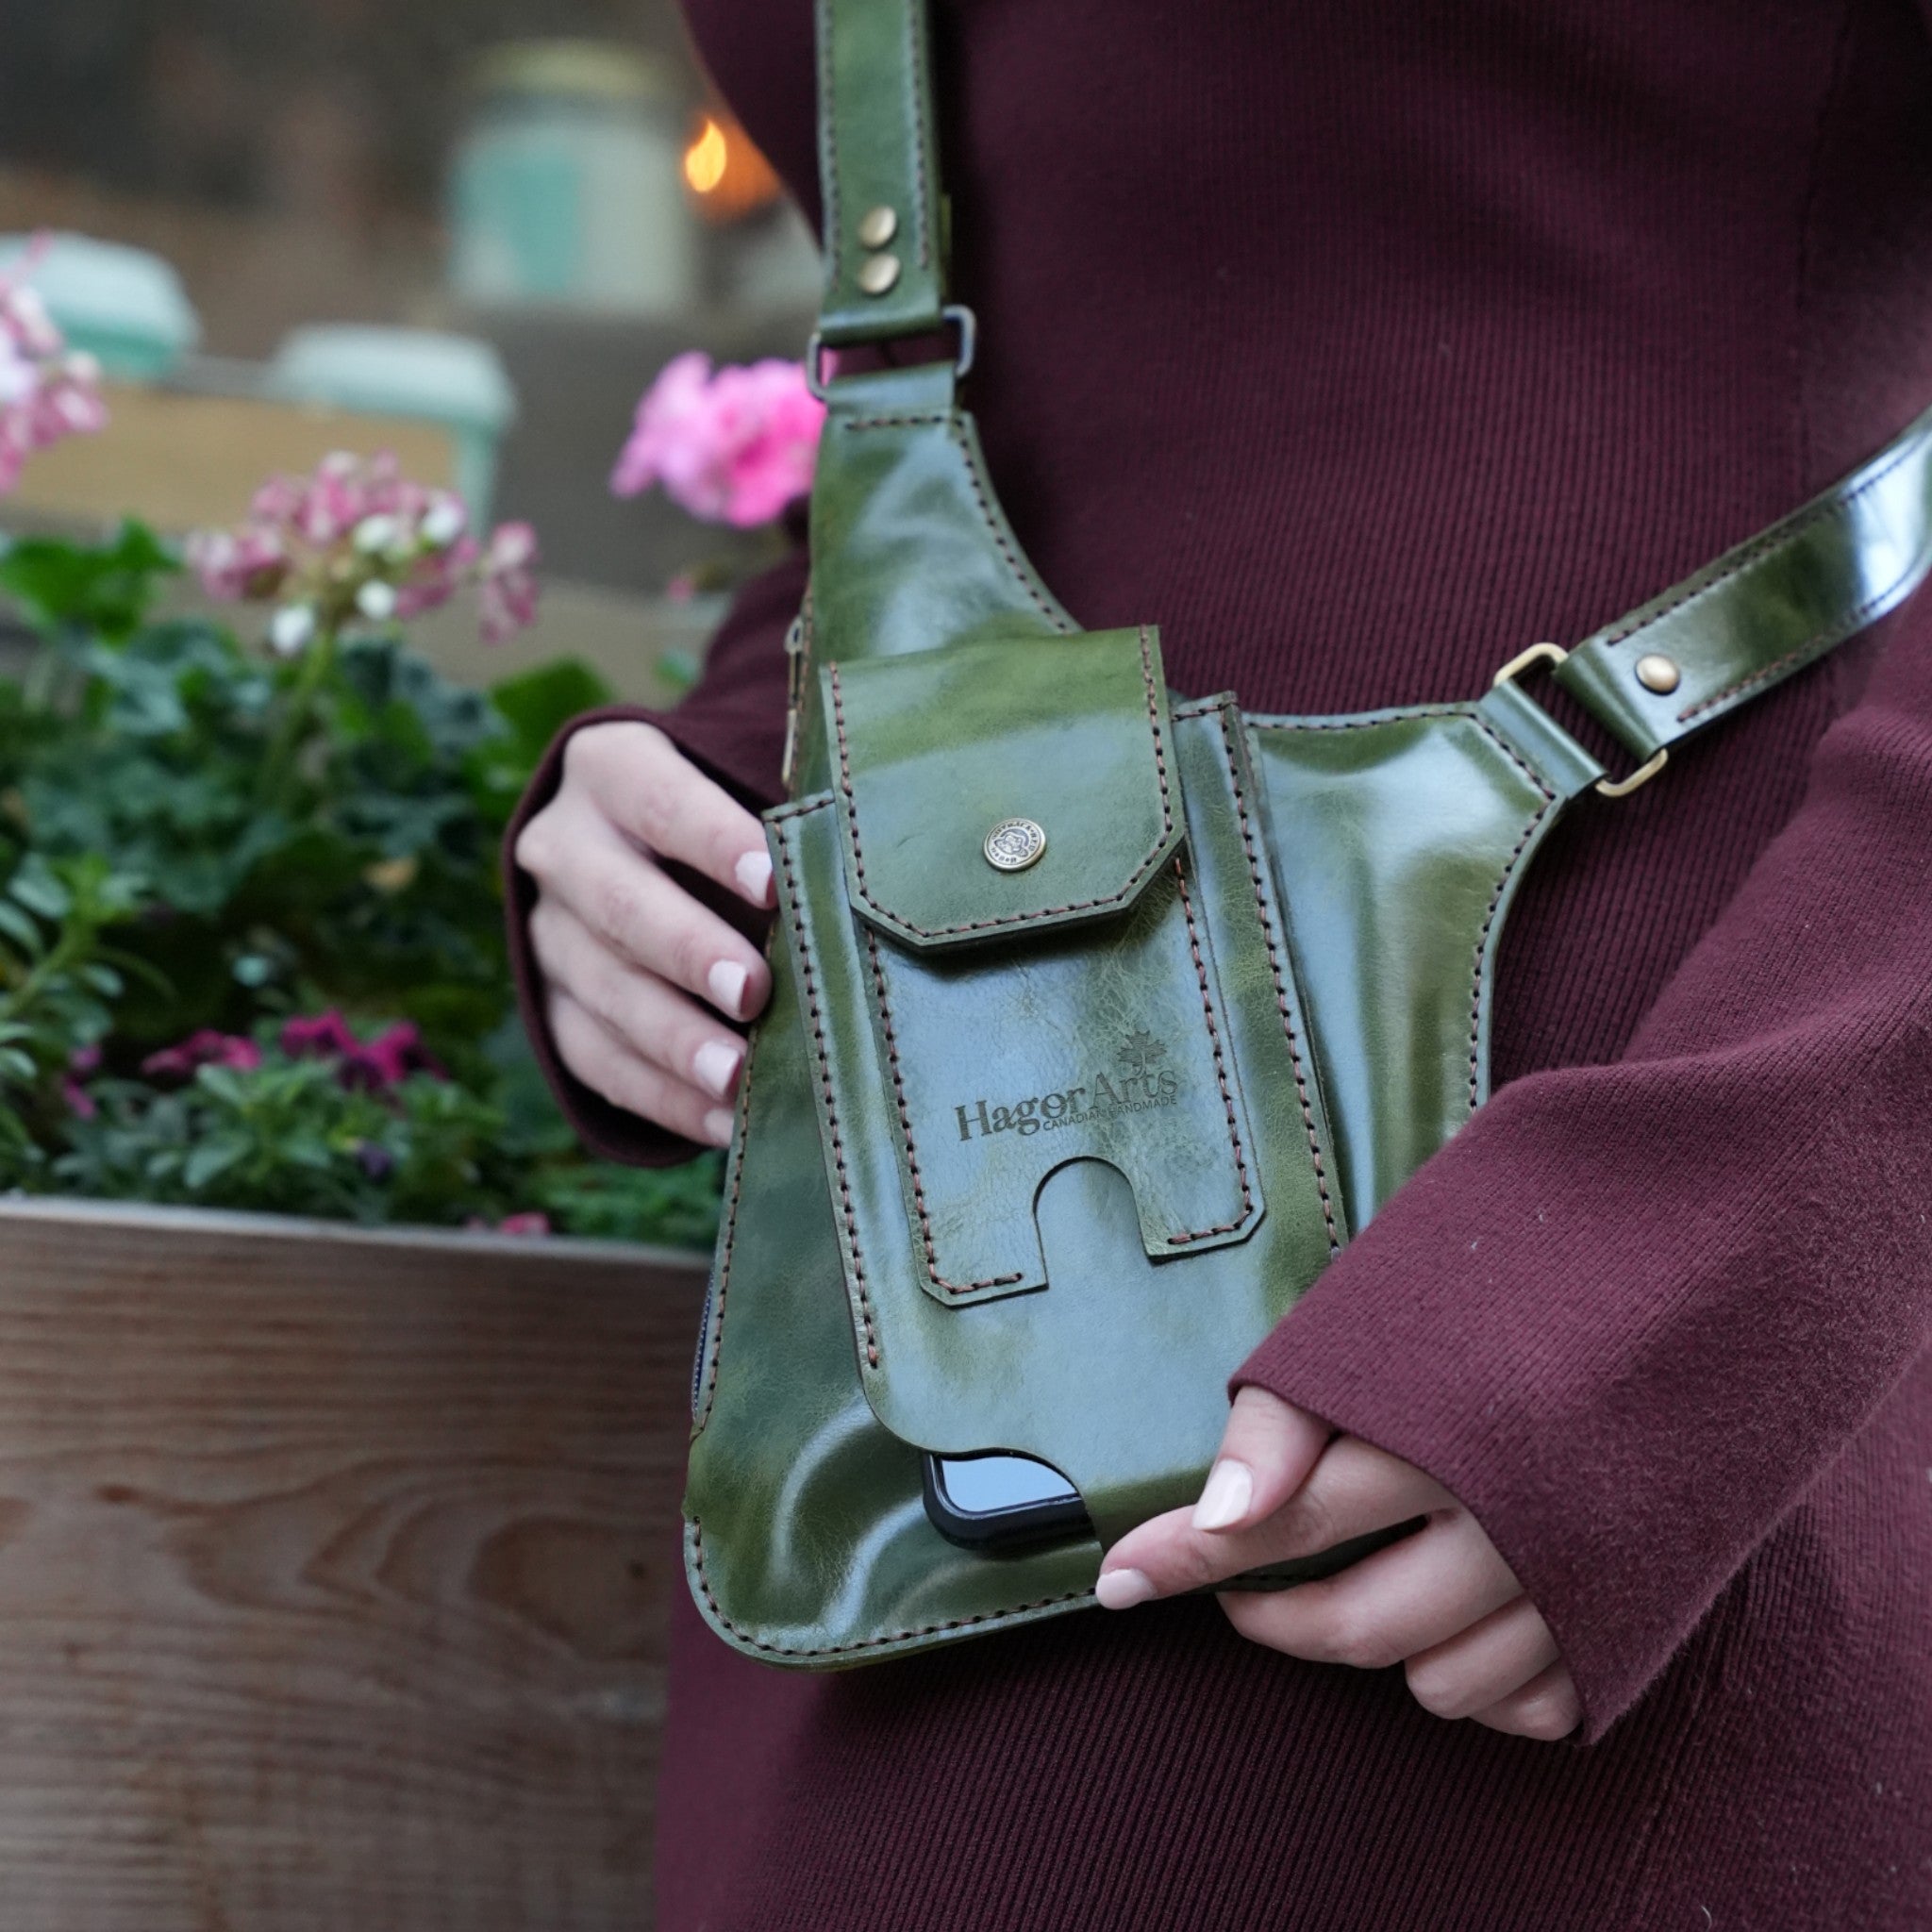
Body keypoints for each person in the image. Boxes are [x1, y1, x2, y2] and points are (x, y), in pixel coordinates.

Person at [505, 2, 1932, 1924]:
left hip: (1543, 1348)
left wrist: (1704, 1265)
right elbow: (1028, 356)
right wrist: (723, 794)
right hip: (921, 1364)